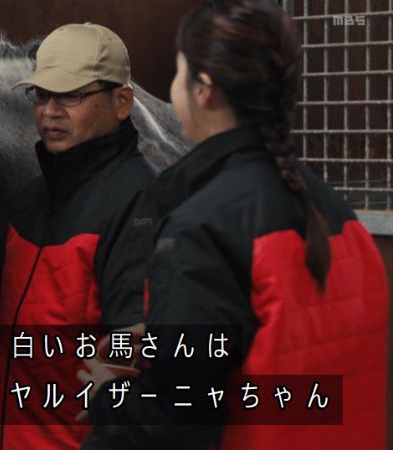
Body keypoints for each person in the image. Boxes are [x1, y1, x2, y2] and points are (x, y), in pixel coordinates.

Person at [79, 1, 389, 449]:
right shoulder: (335, 210)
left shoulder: (201, 228)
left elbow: (174, 421)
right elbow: (286, 332)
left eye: (178, 71)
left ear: (203, 88)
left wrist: (110, 395)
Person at [0, 23, 159, 450]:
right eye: (41, 95)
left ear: (122, 102)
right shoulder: (28, 200)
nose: (49, 111)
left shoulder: (140, 202)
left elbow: (137, 368)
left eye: (72, 95)